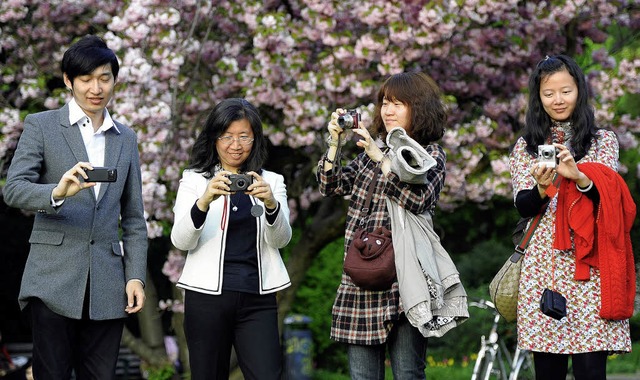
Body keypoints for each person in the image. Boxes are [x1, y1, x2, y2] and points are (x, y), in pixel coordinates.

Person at [3, 35, 148, 379]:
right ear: (68, 81)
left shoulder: (125, 137)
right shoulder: (42, 125)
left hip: (108, 283)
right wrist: (57, 191)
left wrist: (136, 276)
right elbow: (14, 189)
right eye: (85, 79)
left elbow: (133, 218)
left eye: (104, 78)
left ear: (114, 80)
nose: (95, 88)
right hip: (52, 278)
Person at [317, 72, 454, 380]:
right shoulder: (370, 150)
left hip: (407, 277)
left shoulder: (429, 153)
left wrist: (381, 157)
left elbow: (418, 199)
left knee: (407, 373)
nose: (388, 111)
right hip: (362, 277)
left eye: (398, 103)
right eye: (385, 103)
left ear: (418, 108)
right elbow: (331, 185)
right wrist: (334, 144)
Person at [509, 54, 635, 380]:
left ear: (579, 90)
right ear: (538, 97)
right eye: (549, 93)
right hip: (544, 269)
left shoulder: (602, 140)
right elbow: (523, 206)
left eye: (565, 91)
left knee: (591, 370)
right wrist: (541, 187)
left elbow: (610, 199)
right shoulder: (527, 146)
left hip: (590, 267)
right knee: (547, 370)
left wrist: (578, 176)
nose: (558, 100)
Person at [170, 98, 292, 380]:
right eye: (226, 136)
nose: (235, 145)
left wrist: (272, 204)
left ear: (255, 139)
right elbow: (181, 240)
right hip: (206, 299)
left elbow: (282, 240)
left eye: (243, 137)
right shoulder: (194, 180)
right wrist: (204, 201)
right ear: (214, 138)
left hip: (258, 298)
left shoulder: (272, 182)